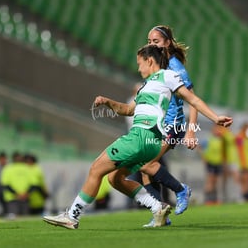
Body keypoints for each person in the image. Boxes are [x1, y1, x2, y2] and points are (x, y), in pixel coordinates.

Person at [43, 44, 232, 229]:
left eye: (140, 62)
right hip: (150, 143)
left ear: (150, 61)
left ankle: (72, 216)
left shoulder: (167, 75)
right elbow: (127, 110)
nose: (138, 67)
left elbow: (193, 99)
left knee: (96, 169)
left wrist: (215, 118)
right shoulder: (146, 86)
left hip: (141, 136)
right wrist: (107, 102)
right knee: (115, 179)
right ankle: (158, 206)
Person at [130, 25, 198, 227]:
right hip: (158, 124)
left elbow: (193, 100)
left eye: (156, 41)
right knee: (144, 168)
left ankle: (180, 190)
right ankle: (160, 214)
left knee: (147, 164)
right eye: (149, 41)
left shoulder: (175, 67)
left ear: (167, 43)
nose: (151, 44)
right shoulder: (158, 65)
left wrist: (191, 131)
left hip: (173, 125)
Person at [200, 125, 225, 205]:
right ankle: (208, 199)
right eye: (216, 130)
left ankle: (215, 199)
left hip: (218, 162)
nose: (217, 131)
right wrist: (204, 157)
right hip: (211, 162)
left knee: (216, 181)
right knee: (210, 181)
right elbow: (199, 147)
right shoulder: (209, 139)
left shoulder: (221, 140)